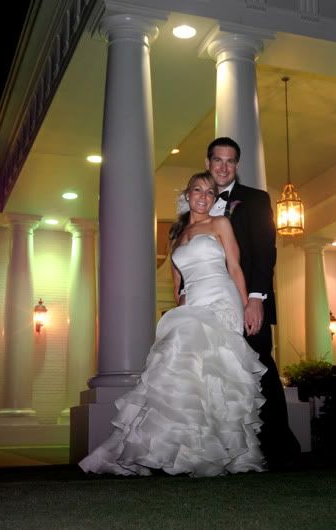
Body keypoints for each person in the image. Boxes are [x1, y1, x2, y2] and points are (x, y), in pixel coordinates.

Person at [79, 172, 267, 477]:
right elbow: (177, 281)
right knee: (180, 372)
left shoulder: (220, 224)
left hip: (221, 299)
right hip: (193, 304)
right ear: (188, 194)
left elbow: (234, 267)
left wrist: (247, 305)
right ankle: (181, 451)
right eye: (198, 190)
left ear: (213, 198)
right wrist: (182, 306)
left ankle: (226, 452)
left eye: (210, 192)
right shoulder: (177, 235)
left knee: (216, 373)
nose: (203, 196)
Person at [205, 137, 301, 467]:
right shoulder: (198, 201)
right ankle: (225, 448)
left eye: (230, 161)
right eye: (218, 160)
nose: (223, 167)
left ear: (237, 165)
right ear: (208, 163)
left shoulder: (256, 199)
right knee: (216, 373)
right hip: (210, 303)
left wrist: (256, 299)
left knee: (260, 368)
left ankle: (279, 447)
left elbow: (264, 252)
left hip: (247, 302)